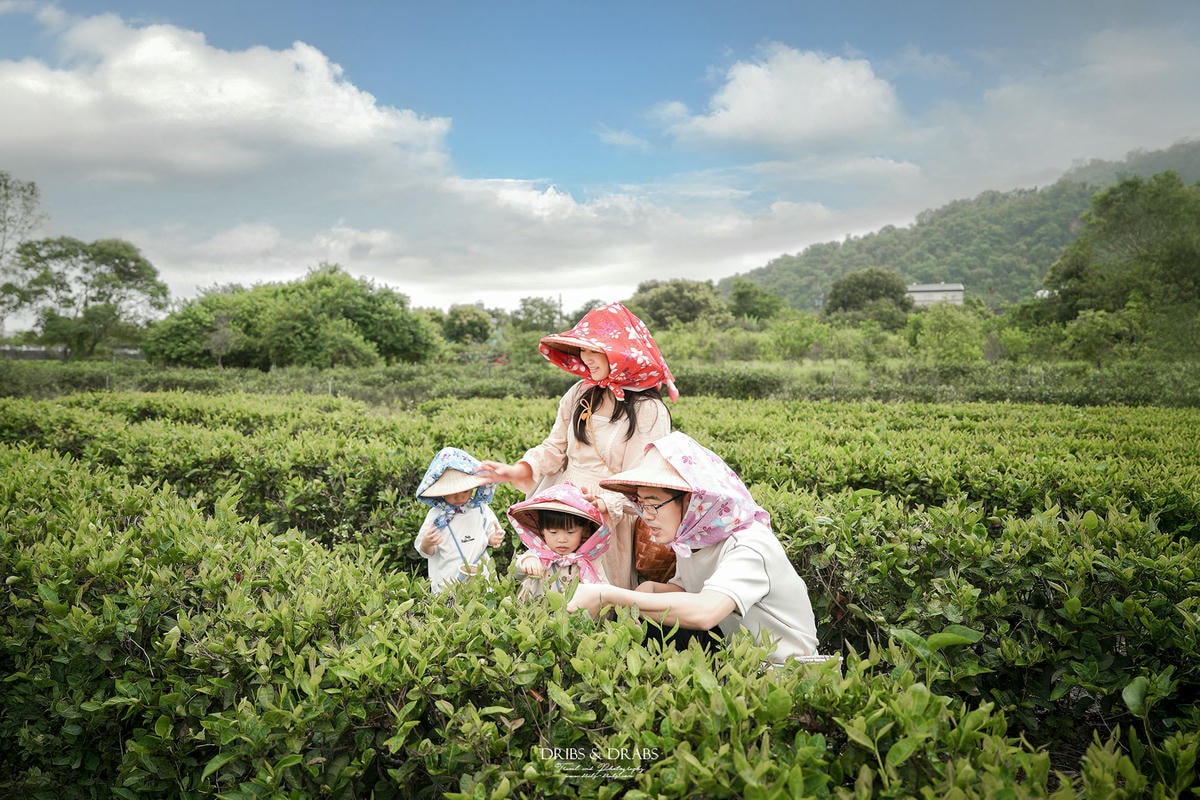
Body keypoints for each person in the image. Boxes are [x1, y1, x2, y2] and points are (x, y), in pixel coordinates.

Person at [566, 431, 821, 664]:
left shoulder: (748, 545)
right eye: (641, 504)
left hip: (791, 673)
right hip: (745, 666)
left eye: (654, 505)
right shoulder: (692, 541)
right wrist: (652, 589)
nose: (647, 516)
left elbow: (706, 611)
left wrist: (608, 595)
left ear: (691, 501)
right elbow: (687, 589)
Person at [476, 302, 677, 590]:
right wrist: (517, 469)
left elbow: (644, 477)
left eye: (594, 350)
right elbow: (555, 447)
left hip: (608, 515)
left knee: (599, 594)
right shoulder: (581, 392)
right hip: (566, 507)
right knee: (549, 587)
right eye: (583, 349)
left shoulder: (649, 410)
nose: (586, 357)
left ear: (618, 353)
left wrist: (606, 502)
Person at [414, 446, 506, 594]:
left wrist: (494, 538)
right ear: (442, 492)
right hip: (447, 581)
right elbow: (425, 551)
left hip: (480, 578)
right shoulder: (436, 515)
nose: (460, 497)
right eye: (452, 493)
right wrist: (427, 542)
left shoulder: (481, 509)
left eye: (465, 491)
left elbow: (490, 534)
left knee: (482, 609)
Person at [507, 481, 611, 600]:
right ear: (542, 531)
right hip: (538, 615)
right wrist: (527, 562)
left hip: (573, 616)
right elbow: (516, 574)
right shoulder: (537, 555)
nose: (562, 540)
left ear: (584, 531)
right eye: (553, 532)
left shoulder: (589, 561)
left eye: (570, 532)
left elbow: (603, 590)